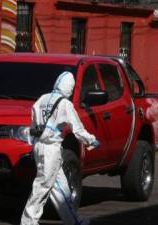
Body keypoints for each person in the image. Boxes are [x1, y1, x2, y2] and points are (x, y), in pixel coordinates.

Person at [21, 71, 99, 225]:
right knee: (43, 185)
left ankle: (73, 221)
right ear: (69, 88)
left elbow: (33, 125)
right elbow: (77, 129)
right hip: (51, 148)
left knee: (60, 188)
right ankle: (28, 222)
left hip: (39, 146)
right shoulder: (65, 104)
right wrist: (91, 140)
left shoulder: (42, 99)